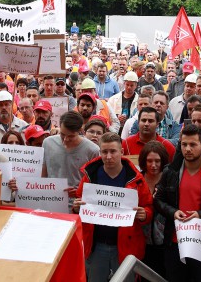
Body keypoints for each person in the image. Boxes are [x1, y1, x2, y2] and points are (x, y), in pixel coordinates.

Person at [154, 124, 201, 282]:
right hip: (174, 243)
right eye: (184, 144)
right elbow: (158, 200)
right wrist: (173, 212)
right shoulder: (170, 172)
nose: (188, 149)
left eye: (193, 144)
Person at [72, 132, 153, 282]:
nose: (108, 156)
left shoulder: (136, 178)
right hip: (96, 246)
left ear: (122, 152)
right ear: (100, 152)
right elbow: (79, 201)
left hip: (125, 245)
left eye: (113, 151)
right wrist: (77, 207)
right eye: (104, 152)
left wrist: (145, 214)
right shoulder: (91, 175)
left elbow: (148, 207)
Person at [42, 111, 100, 200]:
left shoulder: (93, 150)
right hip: (51, 200)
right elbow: (43, 174)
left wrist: (80, 192)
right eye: (62, 134)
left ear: (80, 130)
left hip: (76, 203)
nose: (65, 139)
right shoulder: (48, 143)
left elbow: (94, 183)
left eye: (71, 136)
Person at [139, 141, 170, 279]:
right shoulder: (137, 180)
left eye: (157, 161)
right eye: (149, 161)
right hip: (140, 242)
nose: (153, 165)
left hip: (165, 243)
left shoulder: (170, 180)